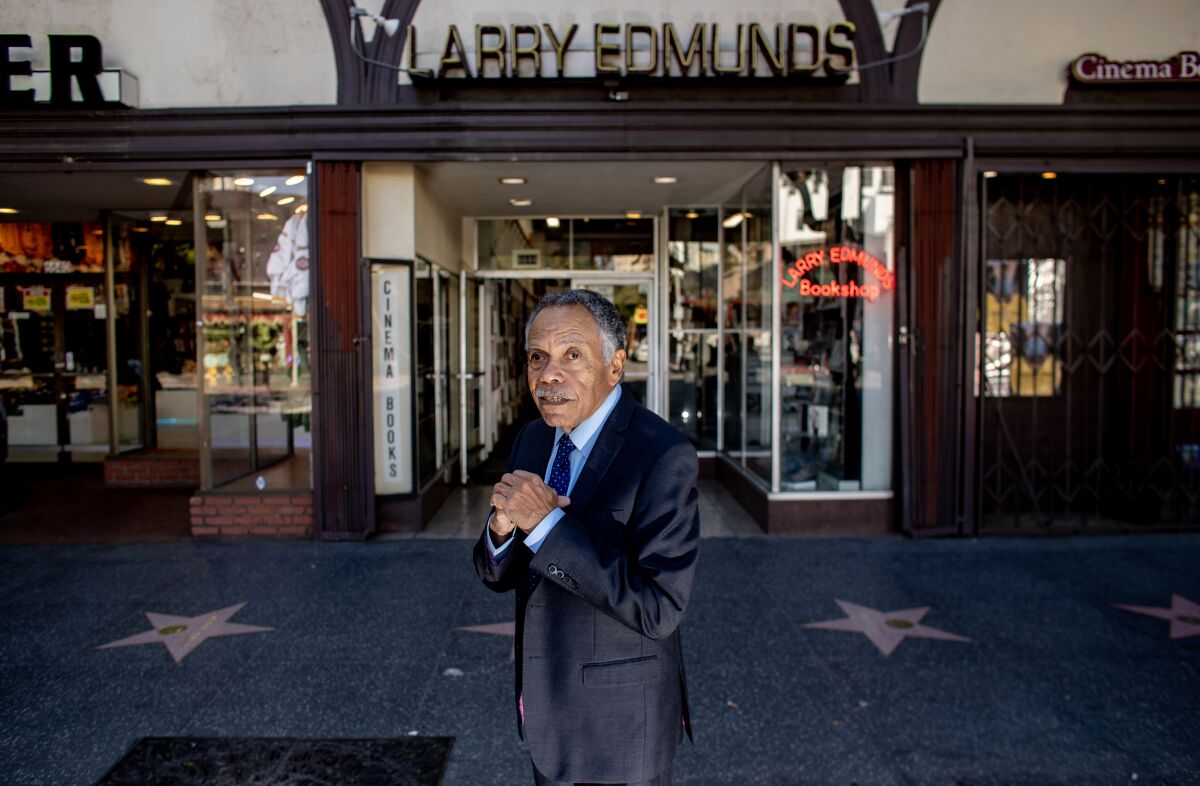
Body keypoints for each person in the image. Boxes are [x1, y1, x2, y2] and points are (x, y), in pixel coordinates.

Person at [474, 289, 699, 786]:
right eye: (538, 357)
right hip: (544, 705)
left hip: (619, 723)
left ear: (614, 366)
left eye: (572, 355)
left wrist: (548, 527)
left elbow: (659, 607)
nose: (549, 375)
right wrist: (502, 529)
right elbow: (497, 572)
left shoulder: (662, 455)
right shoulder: (533, 438)